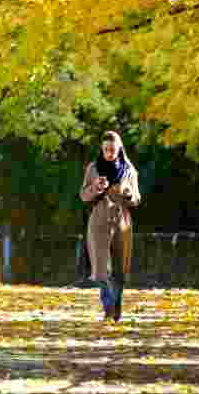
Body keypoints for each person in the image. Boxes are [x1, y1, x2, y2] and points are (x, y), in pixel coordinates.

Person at [79, 130, 142, 321]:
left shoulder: (130, 171)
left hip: (122, 222)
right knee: (100, 269)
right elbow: (83, 196)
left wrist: (129, 193)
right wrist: (95, 187)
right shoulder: (93, 168)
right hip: (99, 220)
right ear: (101, 149)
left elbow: (137, 199)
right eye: (106, 149)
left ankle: (116, 308)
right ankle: (109, 306)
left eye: (112, 149)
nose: (109, 153)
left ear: (119, 149)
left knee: (120, 270)